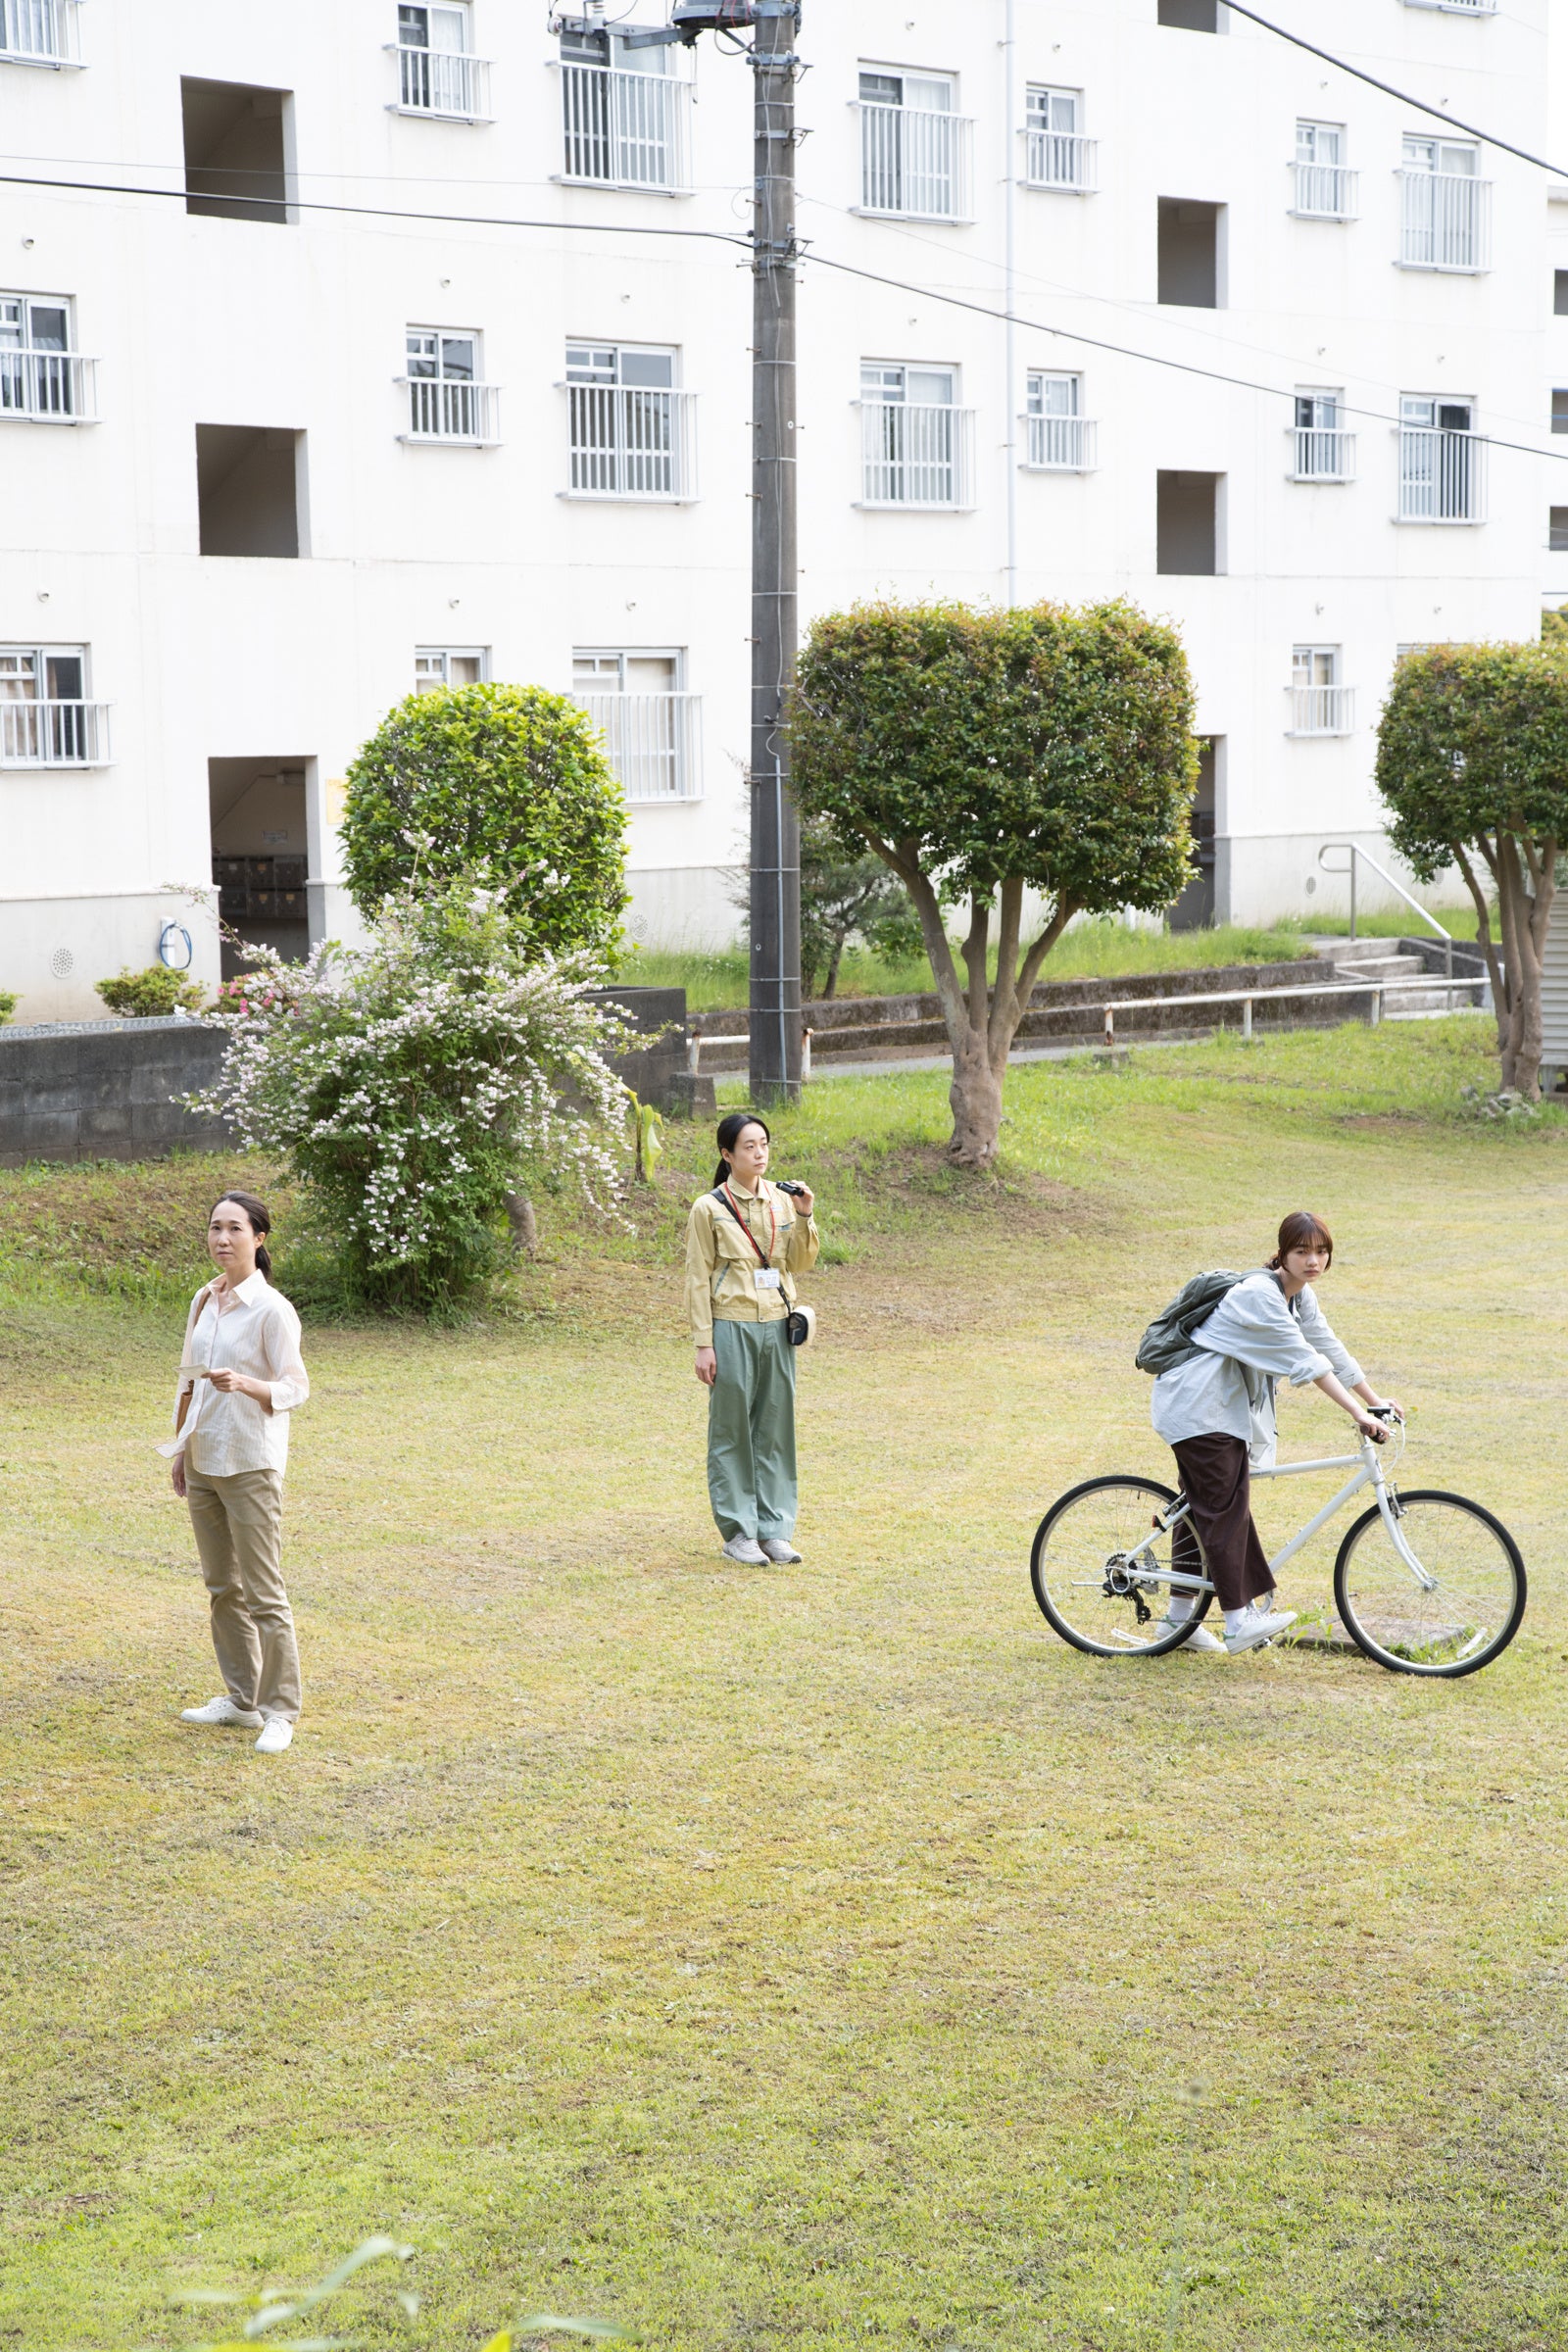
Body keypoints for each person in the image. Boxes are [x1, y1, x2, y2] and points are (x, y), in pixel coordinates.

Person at [1151, 1210, 1401, 1655]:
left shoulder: (1299, 1297)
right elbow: (1307, 1361)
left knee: (1205, 1506)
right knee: (1226, 1506)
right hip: (1198, 1404)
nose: (1313, 1261)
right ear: (1282, 1253)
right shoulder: (1259, 1296)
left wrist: (1373, 1399)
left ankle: (1176, 1622)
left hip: (1221, 1406)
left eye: (1321, 1251)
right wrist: (1359, 1414)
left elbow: (1328, 1347)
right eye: (1302, 1251)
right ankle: (1237, 1620)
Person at [160, 1192, 310, 1753]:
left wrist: (247, 1383)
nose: (222, 1239)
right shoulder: (204, 1298)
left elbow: (297, 1386)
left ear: (259, 1238)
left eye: (235, 1229)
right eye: (215, 1228)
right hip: (203, 1457)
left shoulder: (272, 1309)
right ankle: (242, 1700)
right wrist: (180, 1448)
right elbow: (187, 1378)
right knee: (222, 1586)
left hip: (251, 1462)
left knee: (264, 1592)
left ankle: (280, 1712)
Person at [684, 1111, 819, 1565]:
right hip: (731, 1325)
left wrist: (804, 1215)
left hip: (777, 1326)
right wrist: (704, 1343)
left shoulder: (783, 1201)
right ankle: (738, 1532)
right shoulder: (709, 1207)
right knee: (732, 1429)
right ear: (727, 1154)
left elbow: (798, 1264)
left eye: (763, 1143)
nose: (759, 1153)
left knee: (775, 1428)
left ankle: (774, 1529)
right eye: (748, 1146)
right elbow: (696, 1278)